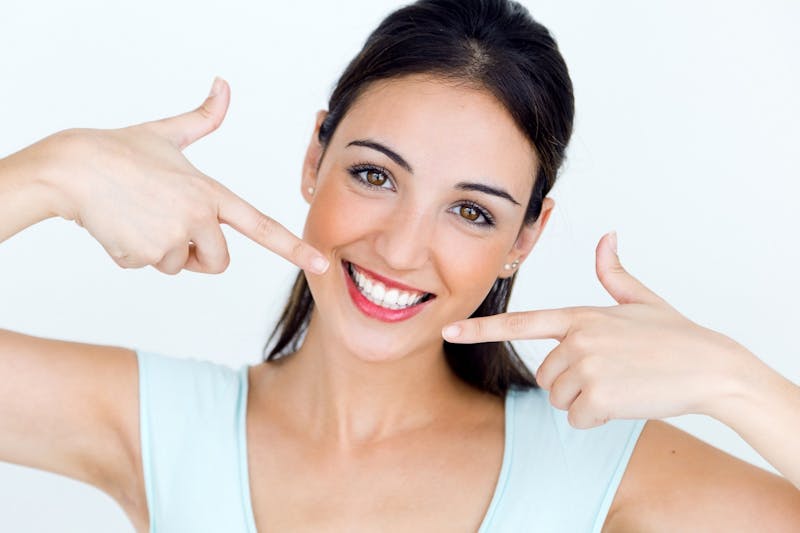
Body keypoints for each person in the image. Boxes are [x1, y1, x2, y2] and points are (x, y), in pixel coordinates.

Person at [1, 0, 799, 531]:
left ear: (526, 235)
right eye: (375, 175)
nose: (400, 248)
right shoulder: (162, 426)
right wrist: (54, 174)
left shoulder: (599, 465)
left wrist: (735, 381)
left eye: (472, 210)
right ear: (315, 155)